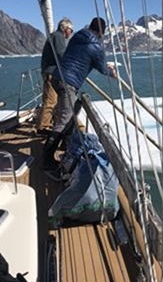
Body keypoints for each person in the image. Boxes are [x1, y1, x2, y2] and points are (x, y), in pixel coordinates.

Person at [42, 17, 116, 170]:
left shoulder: (78, 35)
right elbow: (102, 68)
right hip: (68, 83)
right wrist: (112, 72)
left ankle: (68, 145)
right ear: (101, 32)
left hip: (57, 76)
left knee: (71, 111)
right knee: (64, 120)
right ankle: (47, 159)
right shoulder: (97, 46)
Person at [35, 17, 74, 135]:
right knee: (50, 100)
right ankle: (43, 127)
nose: (71, 33)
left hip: (51, 72)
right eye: (71, 30)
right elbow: (61, 54)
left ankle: (48, 123)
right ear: (65, 28)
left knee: (54, 100)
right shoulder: (58, 36)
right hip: (51, 73)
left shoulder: (55, 36)